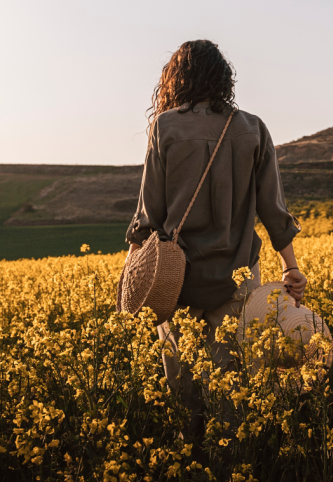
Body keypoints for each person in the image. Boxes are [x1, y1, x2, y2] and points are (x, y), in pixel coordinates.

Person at [125, 39, 306, 441]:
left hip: (176, 281)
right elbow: (273, 211)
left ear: (175, 79)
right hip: (238, 278)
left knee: (185, 391)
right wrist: (290, 267)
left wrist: (132, 277)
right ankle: (234, 461)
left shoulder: (165, 127)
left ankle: (192, 461)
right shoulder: (253, 129)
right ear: (224, 80)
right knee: (233, 390)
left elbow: (148, 215)